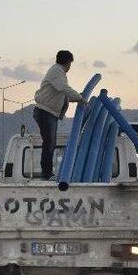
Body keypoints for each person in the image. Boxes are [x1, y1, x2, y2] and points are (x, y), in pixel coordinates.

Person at [33, 50, 85, 180]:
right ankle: (47, 173)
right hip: (45, 112)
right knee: (49, 143)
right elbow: (64, 89)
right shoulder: (57, 72)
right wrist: (80, 98)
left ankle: (47, 173)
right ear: (68, 62)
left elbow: (63, 94)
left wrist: (77, 97)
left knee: (50, 143)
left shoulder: (58, 73)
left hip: (50, 113)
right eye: (70, 64)